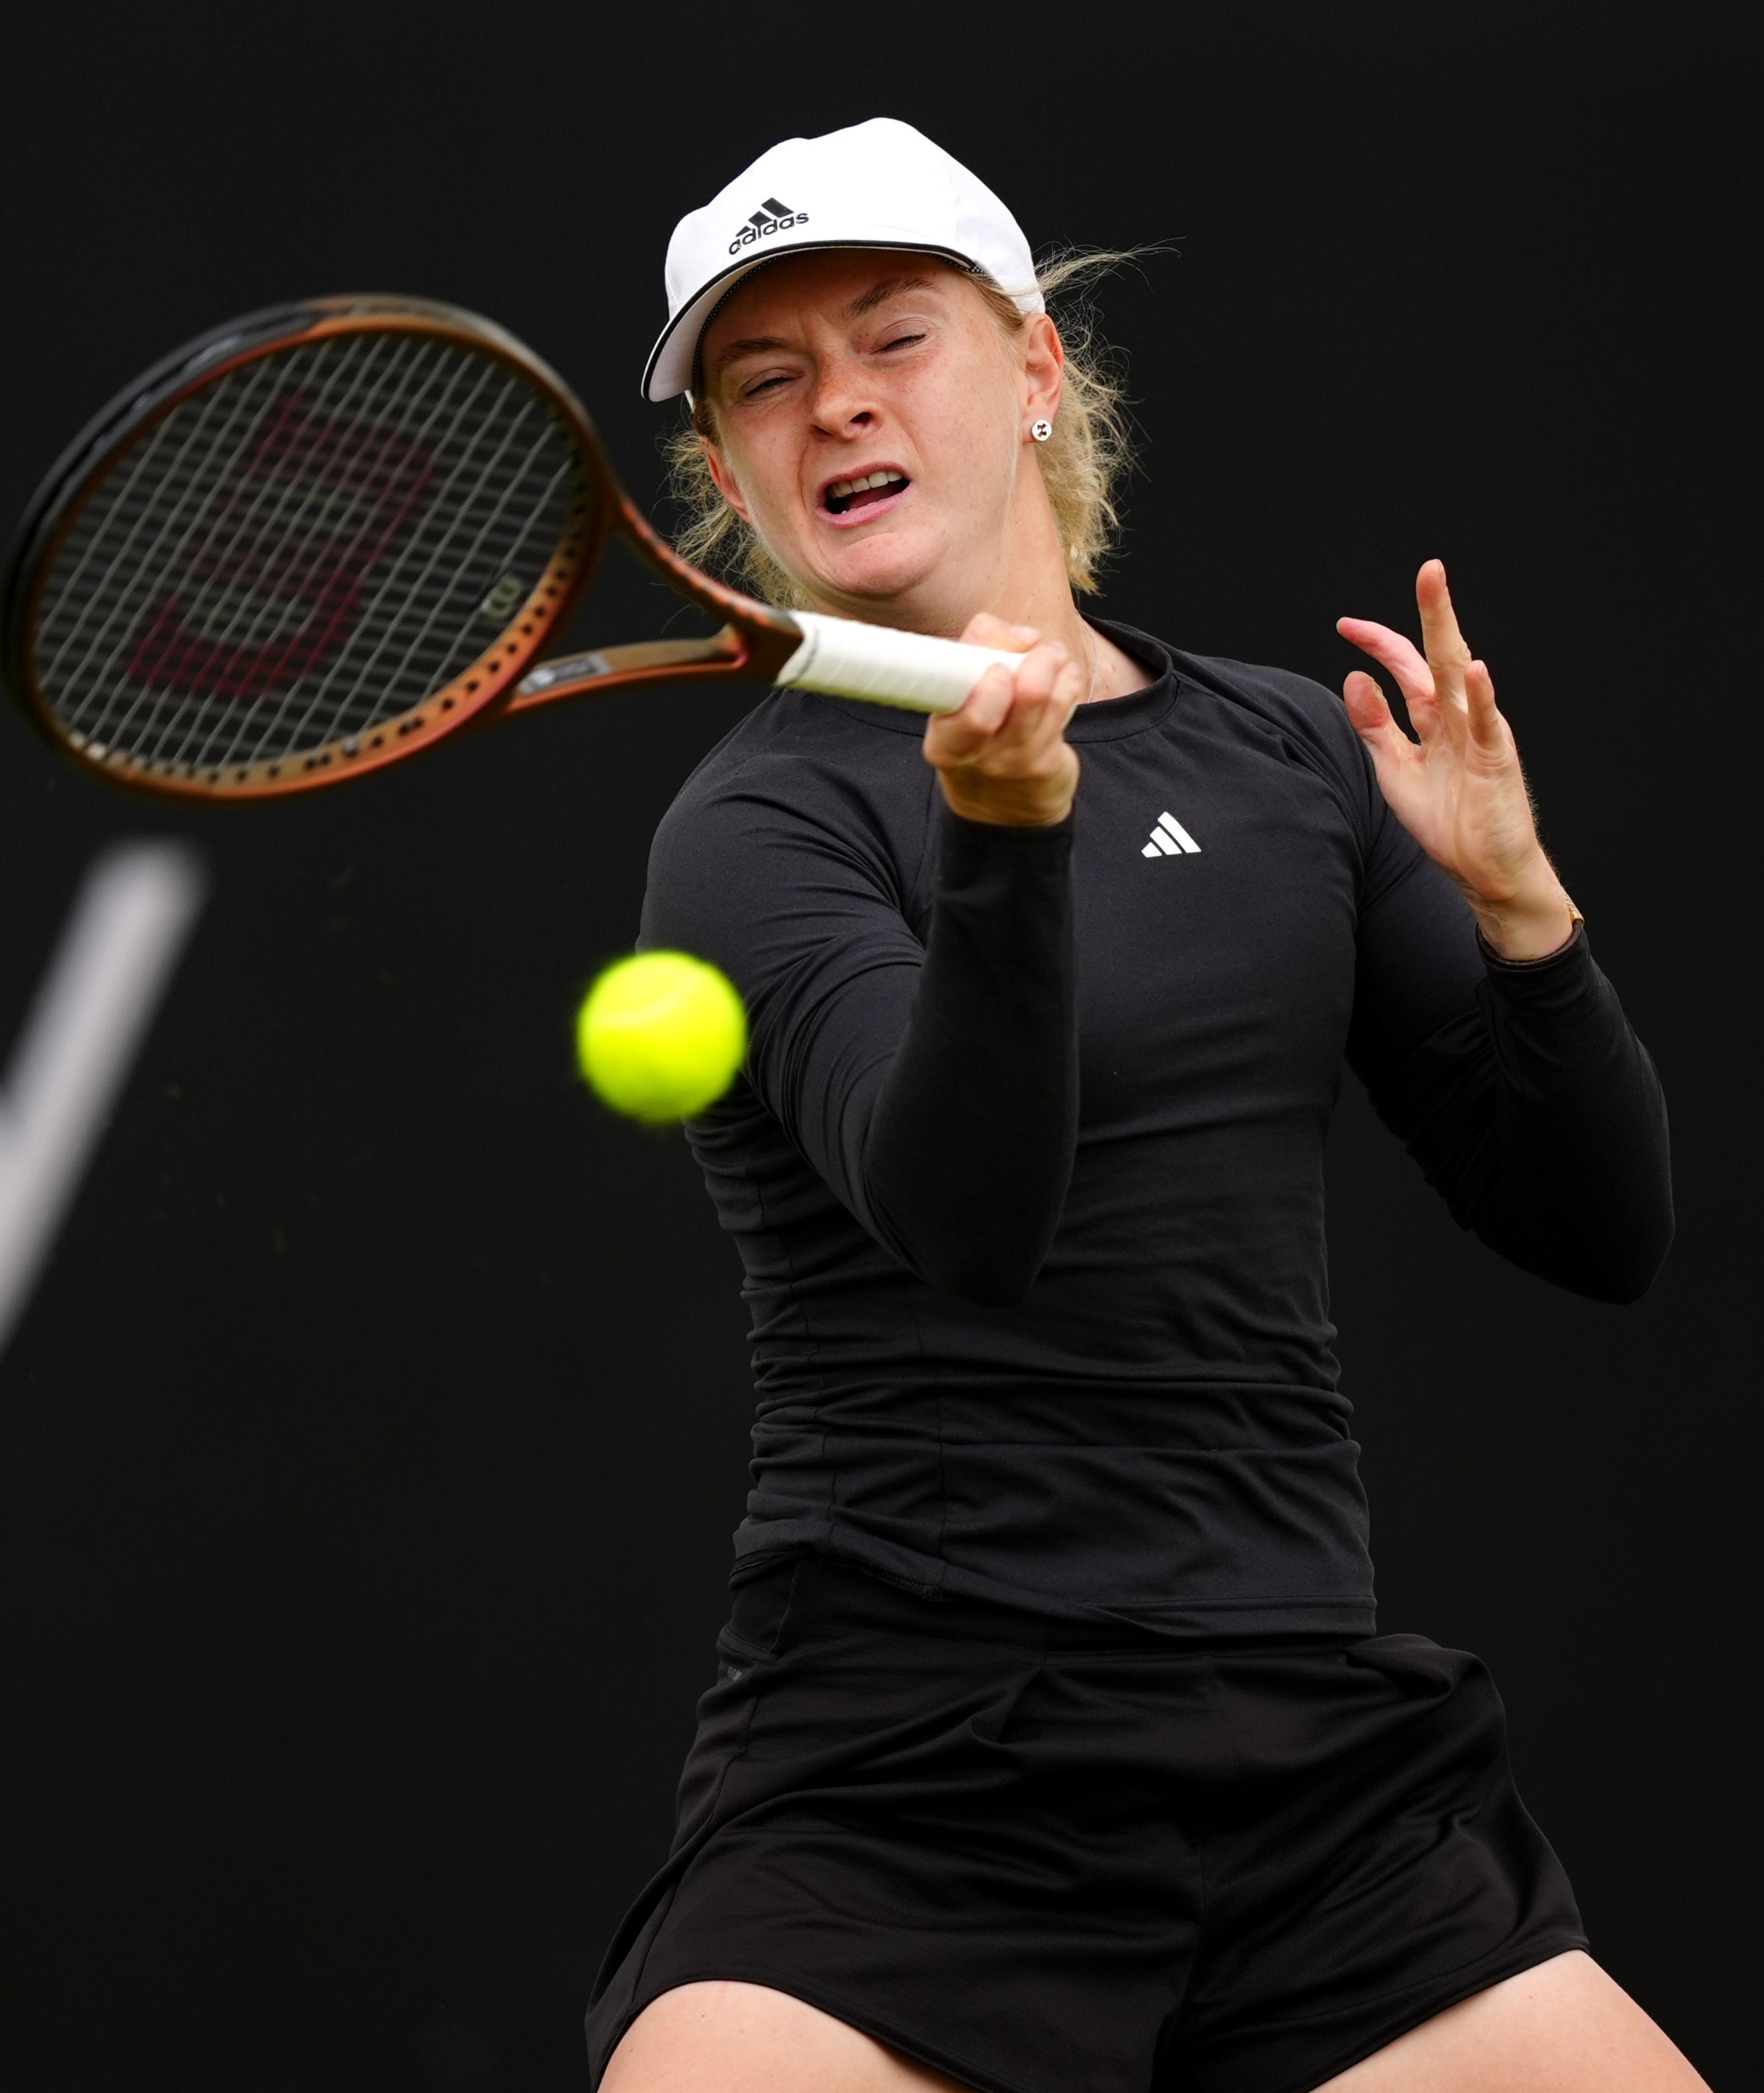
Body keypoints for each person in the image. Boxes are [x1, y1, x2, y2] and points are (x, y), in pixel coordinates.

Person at [588, 119, 1698, 2093]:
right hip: (914, 1771)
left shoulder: (1291, 750)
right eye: (765, 379)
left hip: (1314, 1769)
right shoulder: (757, 828)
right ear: (734, 468)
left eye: (890, 336)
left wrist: (1527, 913)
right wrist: (1004, 847)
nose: (832, 400)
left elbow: (1594, 1230)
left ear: (1033, 367)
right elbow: (969, 1220)